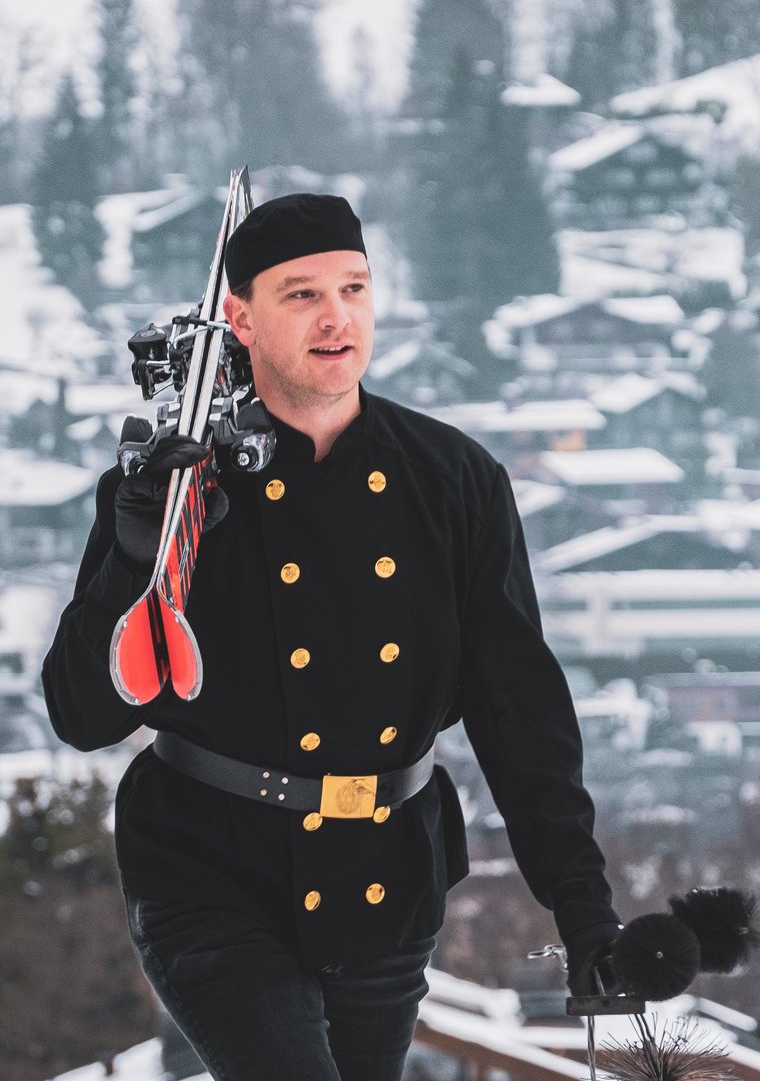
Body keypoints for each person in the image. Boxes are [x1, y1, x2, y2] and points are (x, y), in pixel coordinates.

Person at [41, 192, 621, 1080]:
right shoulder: (179, 483)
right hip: (211, 875)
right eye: (301, 294)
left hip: (385, 879)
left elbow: (520, 711)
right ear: (239, 317)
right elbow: (84, 714)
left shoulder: (454, 479)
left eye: (354, 288)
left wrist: (584, 911)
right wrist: (133, 554)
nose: (336, 316)